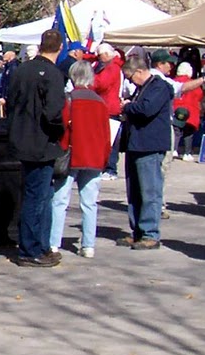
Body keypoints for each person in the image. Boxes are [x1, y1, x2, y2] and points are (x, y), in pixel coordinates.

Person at [5, 28, 66, 266]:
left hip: (22, 137)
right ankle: (30, 250)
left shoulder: (21, 70)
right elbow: (53, 112)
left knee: (42, 194)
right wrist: (58, 131)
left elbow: (10, 102)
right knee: (37, 197)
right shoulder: (52, 74)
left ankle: (41, 245)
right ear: (60, 48)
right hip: (41, 142)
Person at [50, 57, 111, 258]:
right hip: (94, 157)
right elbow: (106, 134)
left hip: (71, 155)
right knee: (90, 203)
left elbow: (63, 129)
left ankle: (54, 242)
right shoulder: (101, 102)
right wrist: (105, 158)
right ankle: (88, 245)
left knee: (60, 201)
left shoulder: (68, 99)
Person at [117, 51, 173, 250]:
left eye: (130, 77)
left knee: (149, 191)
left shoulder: (159, 87)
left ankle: (150, 233)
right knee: (134, 192)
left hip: (150, 145)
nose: (130, 82)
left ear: (140, 71)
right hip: (135, 144)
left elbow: (146, 109)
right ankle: (138, 231)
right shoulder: (142, 89)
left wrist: (128, 106)